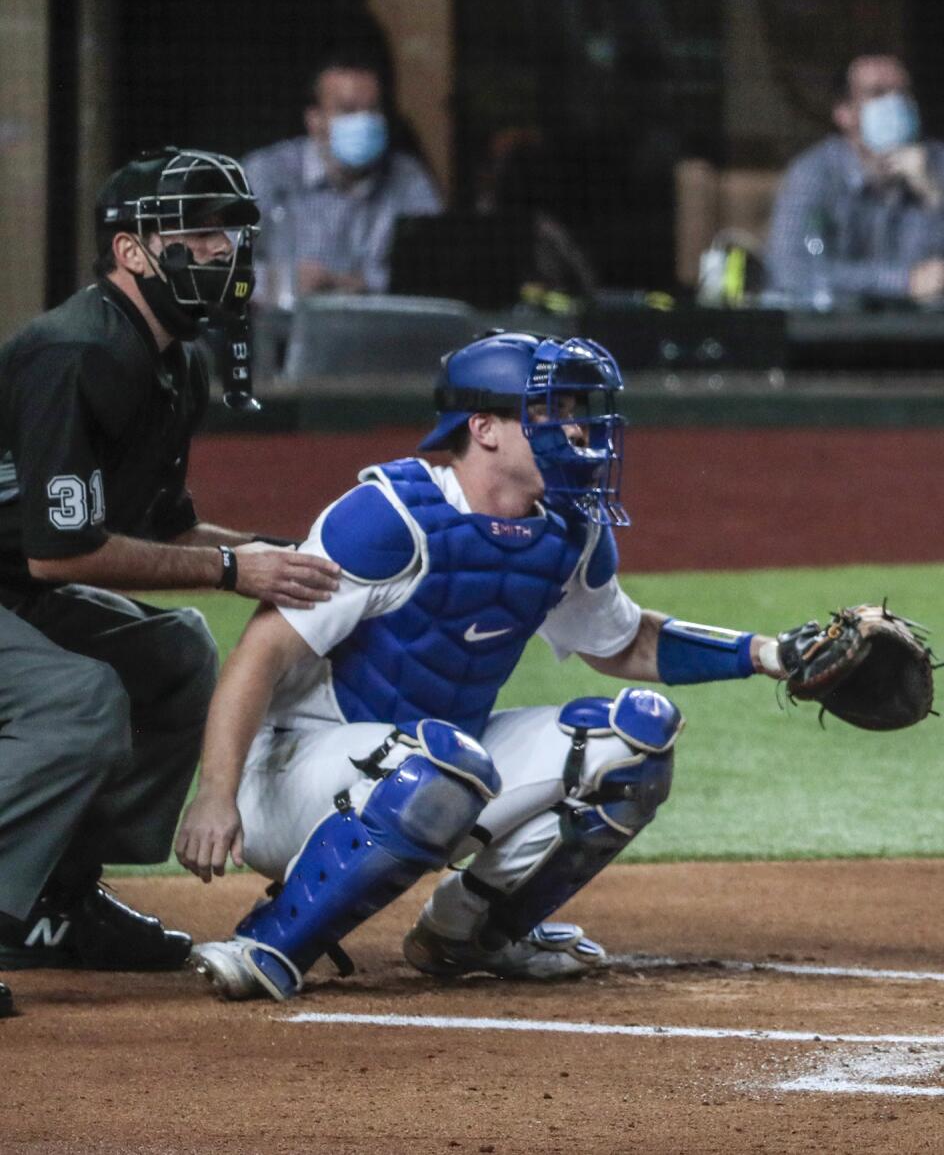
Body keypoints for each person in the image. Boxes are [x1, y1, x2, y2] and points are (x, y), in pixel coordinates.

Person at [174, 331, 822, 1001]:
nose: (577, 428)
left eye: (579, 407)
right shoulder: (389, 516)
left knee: (634, 743)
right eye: (550, 409)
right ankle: (269, 940)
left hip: (443, 765)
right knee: (440, 768)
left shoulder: (569, 530)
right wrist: (216, 792)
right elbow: (261, 653)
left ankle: (470, 931)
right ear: (482, 428)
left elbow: (626, 642)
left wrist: (766, 654)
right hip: (286, 776)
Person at [0, 150, 342, 1009]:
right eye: (196, 234)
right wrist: (233, 567)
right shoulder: (74, 353)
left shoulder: (172, 360)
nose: (221, 251)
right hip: (26, 576)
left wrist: (280, 555)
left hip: (17, 584)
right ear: (131, 252)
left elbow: (162, 529)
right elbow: (62, 555)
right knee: (77, 699)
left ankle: (57, 899)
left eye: (229, 233)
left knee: (175, 650)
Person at [240, 37, 442, 310]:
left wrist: (351, 286)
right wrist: (282, 281)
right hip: (282, 340)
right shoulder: (265, 172)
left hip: (379, 339)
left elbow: (436, 275)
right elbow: (215, 267)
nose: (364, 121)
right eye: (348, 110)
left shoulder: (408, 179)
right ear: (314, 120)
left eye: (373, 110)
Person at [764, 53, 944, 307]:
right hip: (832, 334)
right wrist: (901, 282)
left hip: (920, 332)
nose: (895, 103)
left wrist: (929, 194)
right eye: (877, 93)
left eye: (903, 93)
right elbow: (793, 270)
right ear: (844, 113)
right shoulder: (813, 171)